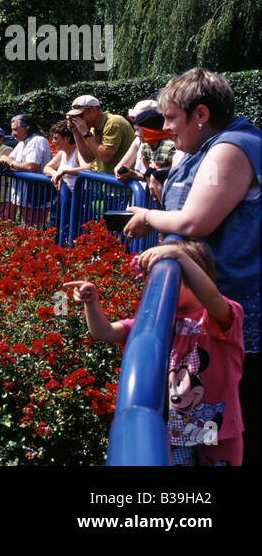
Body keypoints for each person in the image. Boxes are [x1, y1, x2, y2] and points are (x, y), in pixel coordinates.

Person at [122, 68, 261, 464]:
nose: (164, 128)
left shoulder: (231, 148)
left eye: (170, 118)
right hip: (211, 313)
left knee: (237, 429)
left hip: (237, 319)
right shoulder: (202, 148)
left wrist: (147, 216)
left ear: (200, 114)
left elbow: (194, 221)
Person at [65, 240, 243, 465]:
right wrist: (91, 303)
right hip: (175, 433)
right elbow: (105, 332)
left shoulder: (219, 315)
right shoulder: (156, 320)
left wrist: (179, 257)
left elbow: (212, 298)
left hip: (218, 432)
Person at [0, 114, 53, 226]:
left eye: (15, 129)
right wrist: (6, 160)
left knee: (34, 230)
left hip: (36, 196)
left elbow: (31, 166)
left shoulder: (37, 140)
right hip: (23, 196)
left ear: (27, 127)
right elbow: (9, 157)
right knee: (26, 229)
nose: (13, 133)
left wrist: (11, 163)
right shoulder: (22, 142)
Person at [67, 94, 135, 175]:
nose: (78, 120)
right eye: (75, 117)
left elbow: (105, 157)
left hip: (122, 183)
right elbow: (88, 158)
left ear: (94, 110)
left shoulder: (113, 122)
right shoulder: (93, 129)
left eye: (80, 115)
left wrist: (86, 133)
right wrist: (76, 132)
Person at [43, 121, 89, 193]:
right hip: (64, 195)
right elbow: (47, 168)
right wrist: (55, 174)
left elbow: (87, 168)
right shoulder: (62, 153)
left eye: (55, 138)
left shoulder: (78, 151)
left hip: (77, 197)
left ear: (67, 139)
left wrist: (64, 172)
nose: (53, 141)